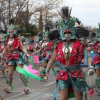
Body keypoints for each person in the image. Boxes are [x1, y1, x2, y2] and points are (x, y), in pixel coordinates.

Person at [44, 29, 87, 100]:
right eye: (65, 32)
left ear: (73, 32)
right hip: (62, 74)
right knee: (63, 98)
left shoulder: (80, 44)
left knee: (79, 98)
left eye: (69, 32)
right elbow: (52, 59)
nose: (67, 34)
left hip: (76, 74)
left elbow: (87, 56)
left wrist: (91, 67)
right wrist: (46, 71)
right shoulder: (58, 45)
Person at [1, 19, 30, 93]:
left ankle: (26, 86)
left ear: (14, 32)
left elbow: (22, 47)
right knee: (10, 74)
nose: (10, 33)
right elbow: (5, 49)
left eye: (12, 31)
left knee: (20, 73)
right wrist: (1, 54)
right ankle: (10, 87)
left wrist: (26, 52)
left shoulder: (17, 39)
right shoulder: (7, 40)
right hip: (10, 57)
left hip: (17, 57)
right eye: (9, 32)